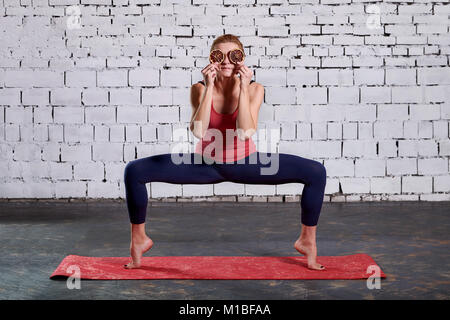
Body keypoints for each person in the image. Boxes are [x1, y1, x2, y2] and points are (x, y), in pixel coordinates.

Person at [123, 34, 327, 270]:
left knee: (316, 172)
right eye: (220, 56)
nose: (227, 61)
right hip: (204, 165)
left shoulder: (255, 89)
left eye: (234, 55)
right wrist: (209, 86)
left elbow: (245, 132)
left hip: (246, 163)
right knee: (134, 171)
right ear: (212, 60)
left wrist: (243, 86)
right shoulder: (198, 89)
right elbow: (198, 132)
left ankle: (307, 241)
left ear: (242, 60)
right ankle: (139, 240)